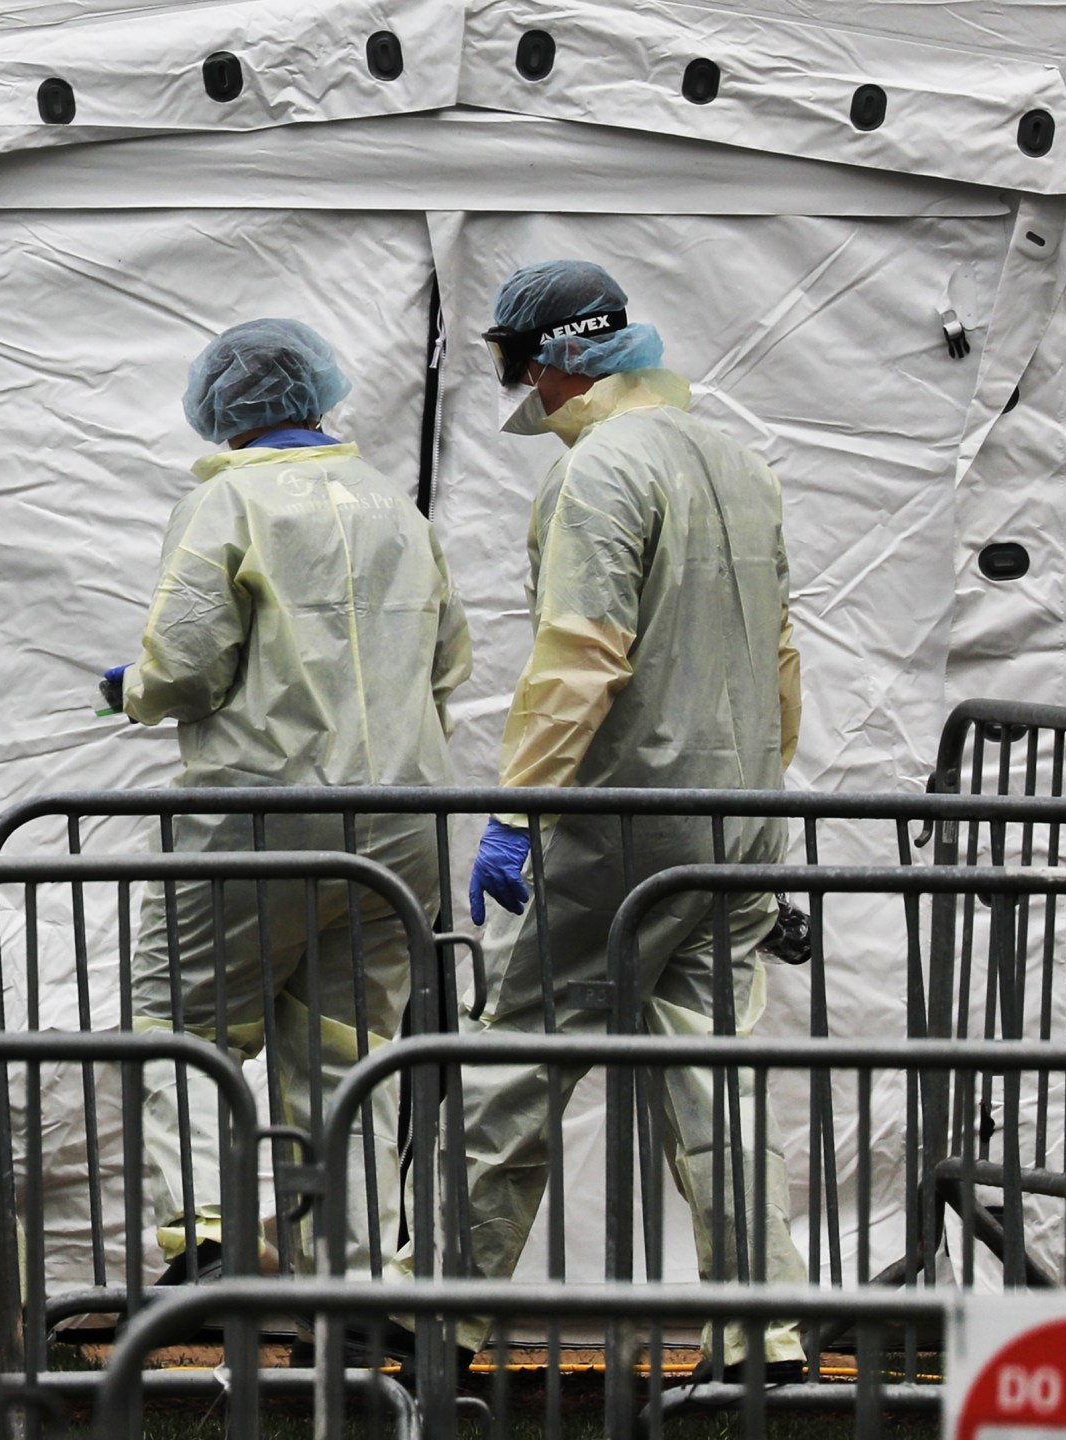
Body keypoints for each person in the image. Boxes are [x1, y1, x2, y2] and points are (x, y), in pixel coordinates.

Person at [445, 260, 810, 1378]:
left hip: (620, 819)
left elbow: (578, 659)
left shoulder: (598, 471)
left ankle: (434, 1316)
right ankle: (767, 1336)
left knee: (515, 1061)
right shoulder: (737, 460)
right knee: (714, 1083)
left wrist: (520, 810)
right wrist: (762, 784)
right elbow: (782, 653)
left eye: (514, 361)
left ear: (552, 357)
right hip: (738, 810)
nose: (517, 386)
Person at [108, 319, 470, 1304]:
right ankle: (344, 1272)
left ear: (223, 408)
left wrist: (132, 688)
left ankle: (208, 1238)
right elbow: (449, 665)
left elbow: (183, 662)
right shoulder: (399, 509)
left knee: (183, 1024)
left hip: (261, 813)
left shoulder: (228, 502)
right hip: (402, 821)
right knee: (348, 1048)